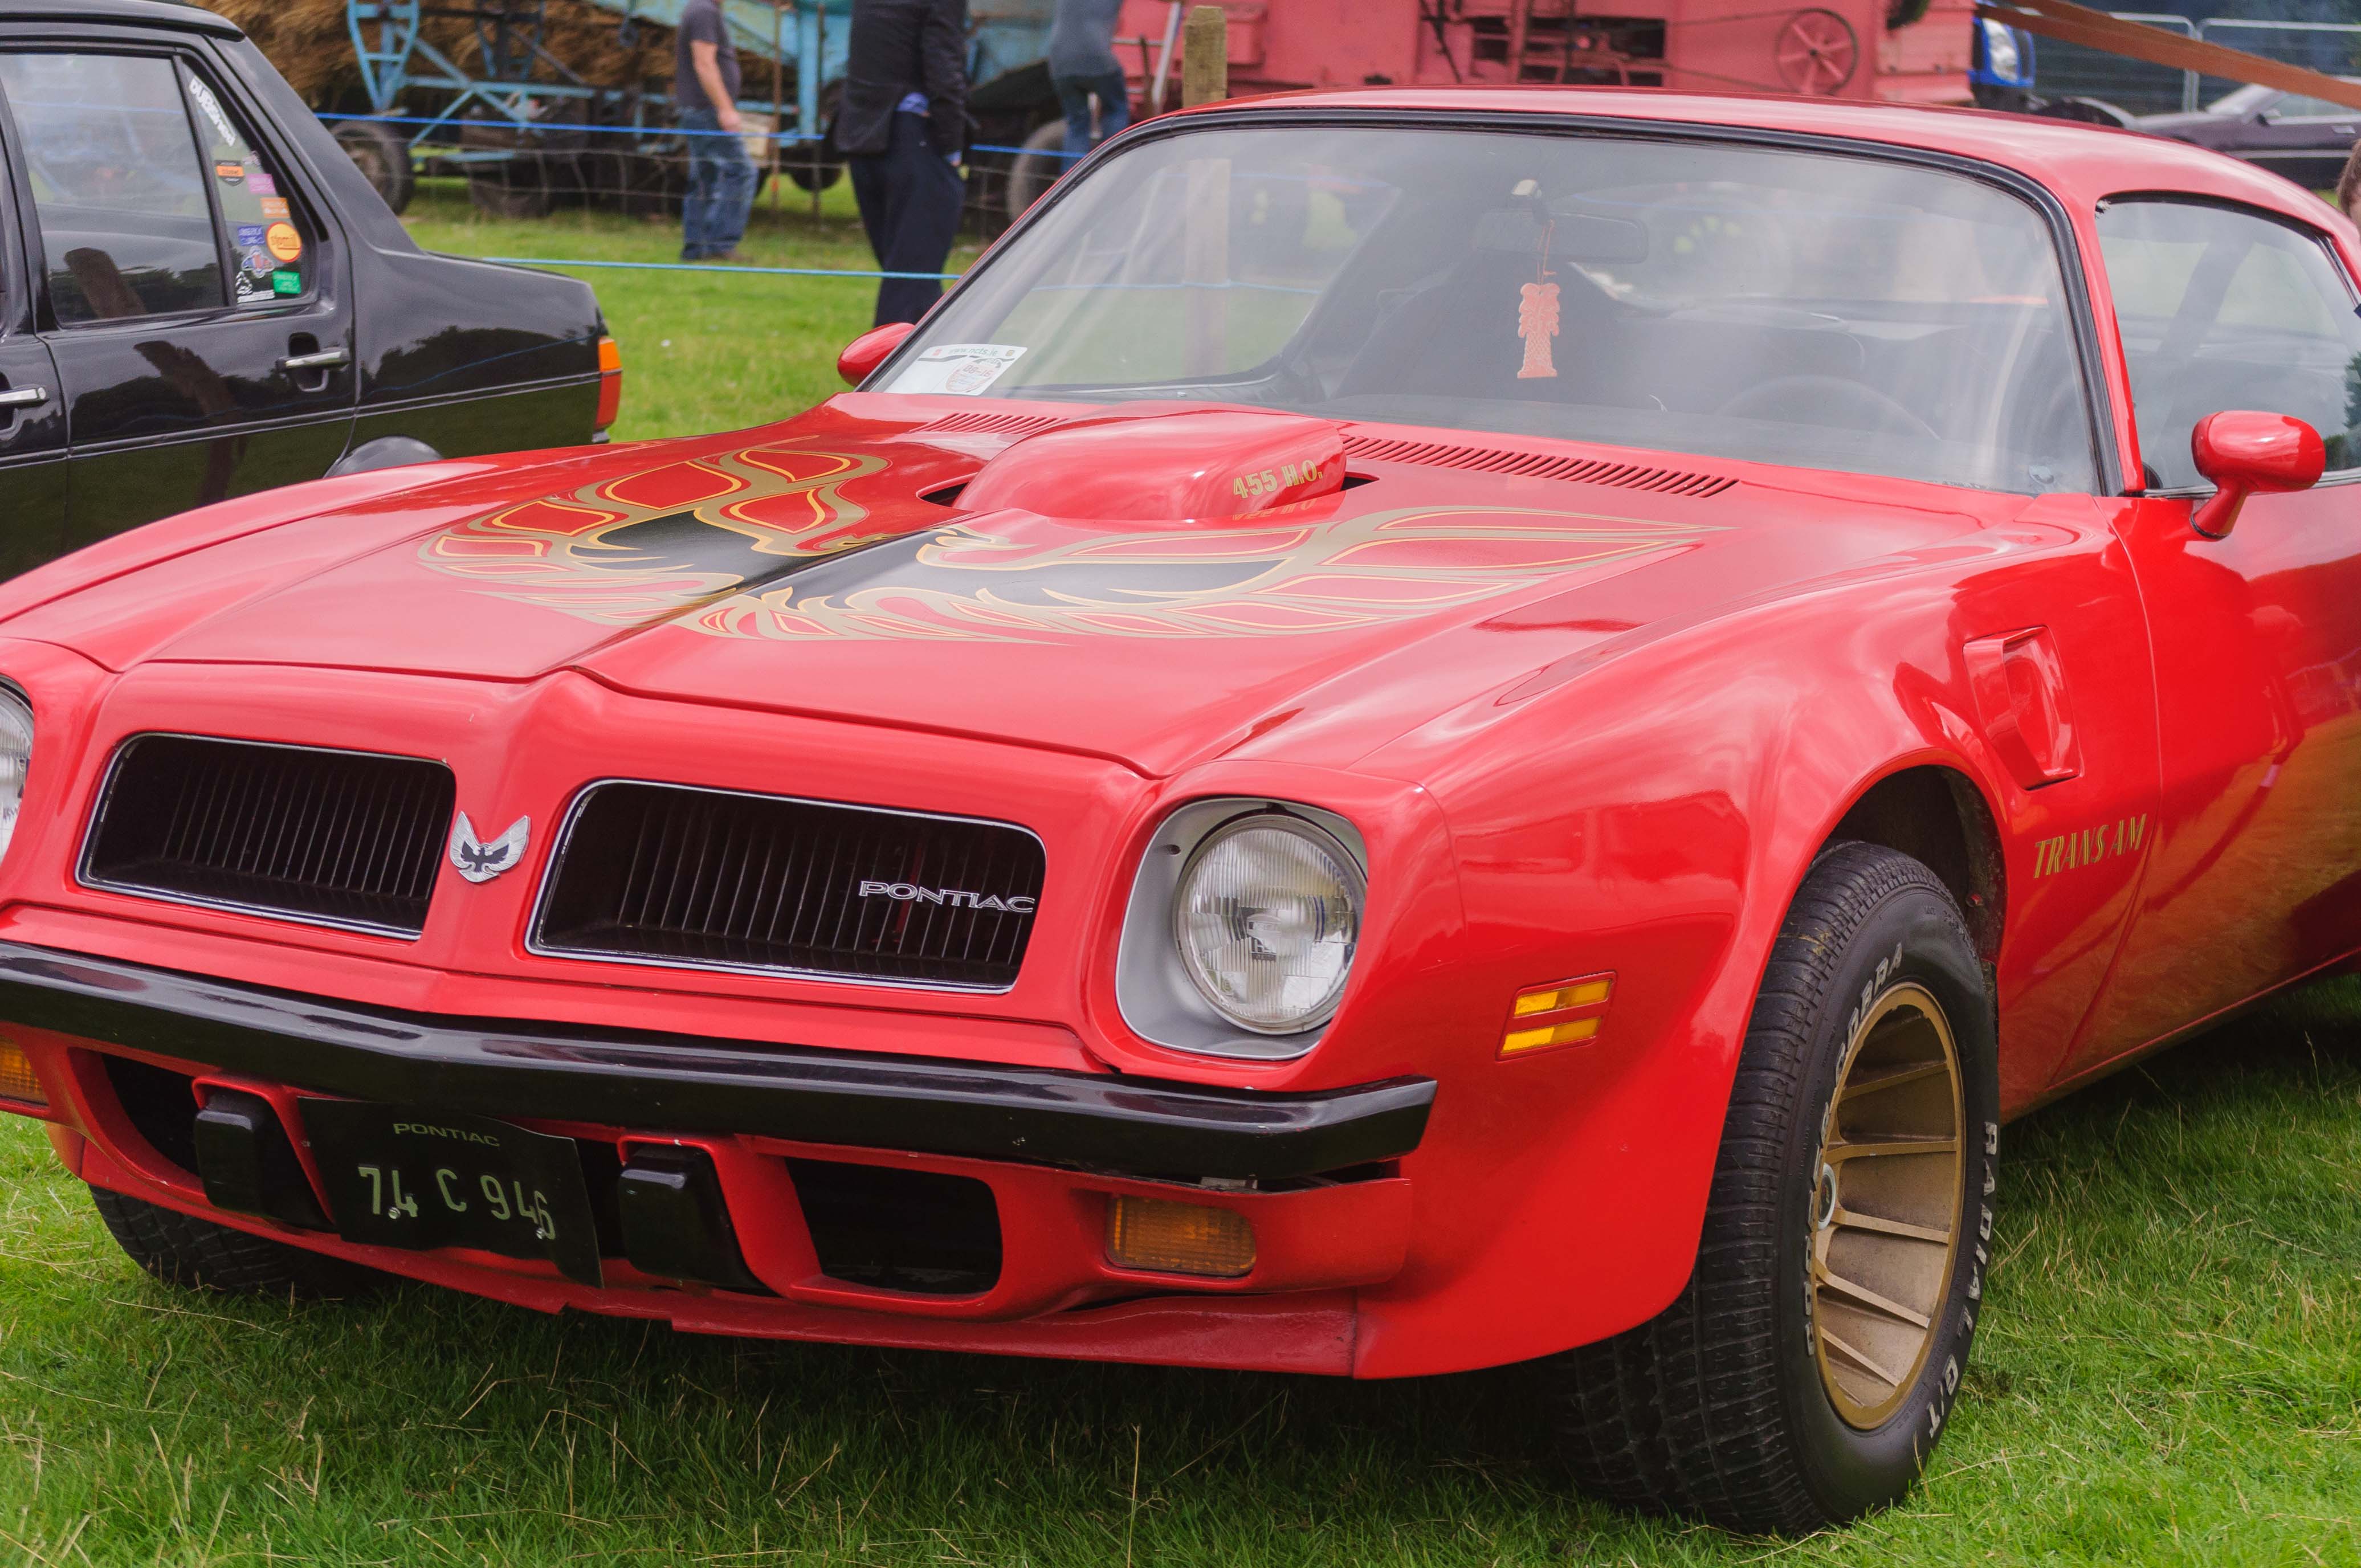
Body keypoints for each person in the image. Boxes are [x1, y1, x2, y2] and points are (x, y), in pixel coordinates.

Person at [838, 0, 968, 325]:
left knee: (907, 278)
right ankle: (895, 358)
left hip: (864, 131)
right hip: (911, 136)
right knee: (910, 287)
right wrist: (952, 143)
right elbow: (943, 63)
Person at [676, 0, 758, 262]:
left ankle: (696, 248)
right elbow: (704, 63)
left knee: (705, 177)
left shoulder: (699, 9)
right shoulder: (704, 12)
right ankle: (720, 244)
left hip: (700, 109)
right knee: (741, 171)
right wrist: (725, 109)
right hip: (708, 110)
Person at [1049, 0, 1128, 161]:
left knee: (1077, 123)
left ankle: (1072, 174)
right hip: (1097, 57)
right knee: (1116, 109)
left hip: (1059, 60)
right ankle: (1111, 163)